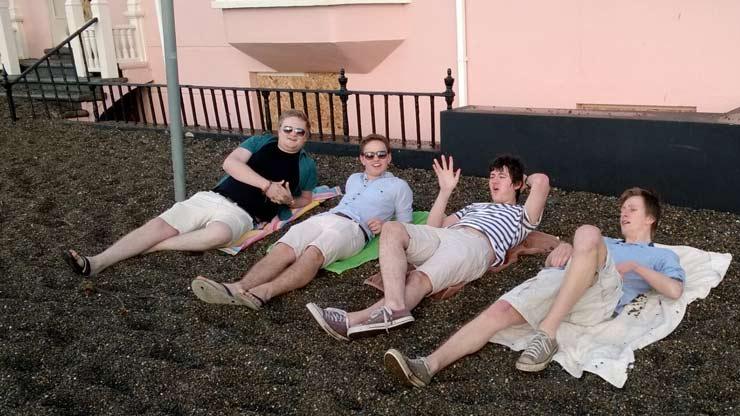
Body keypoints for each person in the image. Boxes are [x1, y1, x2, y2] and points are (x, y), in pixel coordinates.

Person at [383, 187, 686, 388]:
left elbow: (673, 291)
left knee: (588, 230)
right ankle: (427, 366)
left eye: (632, 209)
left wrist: (633, 267)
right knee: (500, 310)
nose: (624, 213)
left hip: (603, 296)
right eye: (622, 208)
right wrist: (565, 247)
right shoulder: (606, 243)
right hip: (564, 282)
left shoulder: (661, 255)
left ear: (650, 218)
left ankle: (547, 334)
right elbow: (580, 249)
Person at [307, 154, 550, 339]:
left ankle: (355, 318)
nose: (494, 181)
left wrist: (525, 178)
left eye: (502, 176)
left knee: (419, 279)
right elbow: (434, 228)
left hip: (475, 245)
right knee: (392, 229)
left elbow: (542, 181)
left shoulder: (522, 215)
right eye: (492, 176)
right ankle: (394, 308)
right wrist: (445, 191)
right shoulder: (474, 206)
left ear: (517, 184)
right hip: (447, 237)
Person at [62, 109, 318, 277]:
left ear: (306, 137)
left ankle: (152, 248)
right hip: (214, 197)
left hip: (244, 214)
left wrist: (289, 200)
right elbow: (231, 164)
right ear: (279, 129)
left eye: (300, 132)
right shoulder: (260, 142)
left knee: (218, 234)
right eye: (288, 129)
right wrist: (267, 186)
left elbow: (306, 198)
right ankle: (96, 262)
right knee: (160, 225)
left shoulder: (306, 164)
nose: (293, 135)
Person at [191, 133, 412, 310]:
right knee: (284, 247)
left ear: (389, 157)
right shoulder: (353, 179)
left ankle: (264, 292)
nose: (376, 160)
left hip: (355, 228)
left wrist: (384, 226)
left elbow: (407, 226)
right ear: (362, 158)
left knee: (313, 252)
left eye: (381, 155)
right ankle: (237, 287)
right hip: (326, 217)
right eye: (370, 155)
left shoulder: (399, 186)